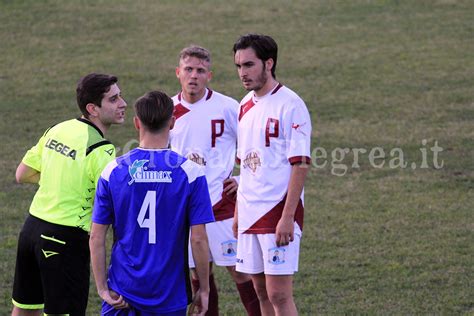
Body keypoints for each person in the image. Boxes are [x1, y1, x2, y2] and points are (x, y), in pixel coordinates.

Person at [89, 90, 214, 315]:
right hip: (169, 294)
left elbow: (97, 236)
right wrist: (204, 289)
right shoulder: (191, 173)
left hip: (122, 292)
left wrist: (101, 288)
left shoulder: (113, 171)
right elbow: (198, 239)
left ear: (137, 123)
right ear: (173, 122)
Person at [12, 73, 127, 315]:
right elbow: (116, 203)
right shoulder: (101, 149)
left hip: (30, 232)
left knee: (25, 309)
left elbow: (22, 174)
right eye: (114, 99)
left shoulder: (58, 128)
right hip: (65, 241)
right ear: (93, 108)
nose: (123, 103)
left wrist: (58, 182)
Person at [170, 45, 261, 316]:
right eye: (188, 69)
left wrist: (243, 179)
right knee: (199, 274)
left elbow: (254, 148)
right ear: (178, 73)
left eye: (200, 70)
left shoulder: (229, 108)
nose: (193, 76)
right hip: (186, 208)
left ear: (210, 75)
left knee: (241, 272)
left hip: (222, 205)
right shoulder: (169, 111)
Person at [232, 34, 312, 316]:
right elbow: (246, 166)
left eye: (249, 65)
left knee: (279, 293)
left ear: (269, 63)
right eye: (239, 66)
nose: (243, 73)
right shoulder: (243, 105)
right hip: (249, 211)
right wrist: (239, 213)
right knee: (261, 291)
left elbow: (300, 163)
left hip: (278, 210)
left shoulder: (291, 105)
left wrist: (288, 217)